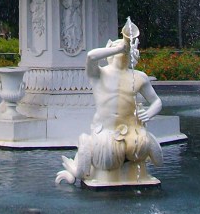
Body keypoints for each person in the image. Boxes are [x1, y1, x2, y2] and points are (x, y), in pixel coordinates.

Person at [56, 17, 163, 186]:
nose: (122, 49)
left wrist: (149, 112)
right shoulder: (100, 74)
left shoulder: (139, 77)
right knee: (108, 154)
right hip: (106, 132)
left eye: (124, 47)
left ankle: (142, 156)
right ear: (109, 53)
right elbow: (91, 56)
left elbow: (157, 102)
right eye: (117, 47)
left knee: (140, 146)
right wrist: (118, 48)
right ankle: (80, 167)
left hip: (132, 130)